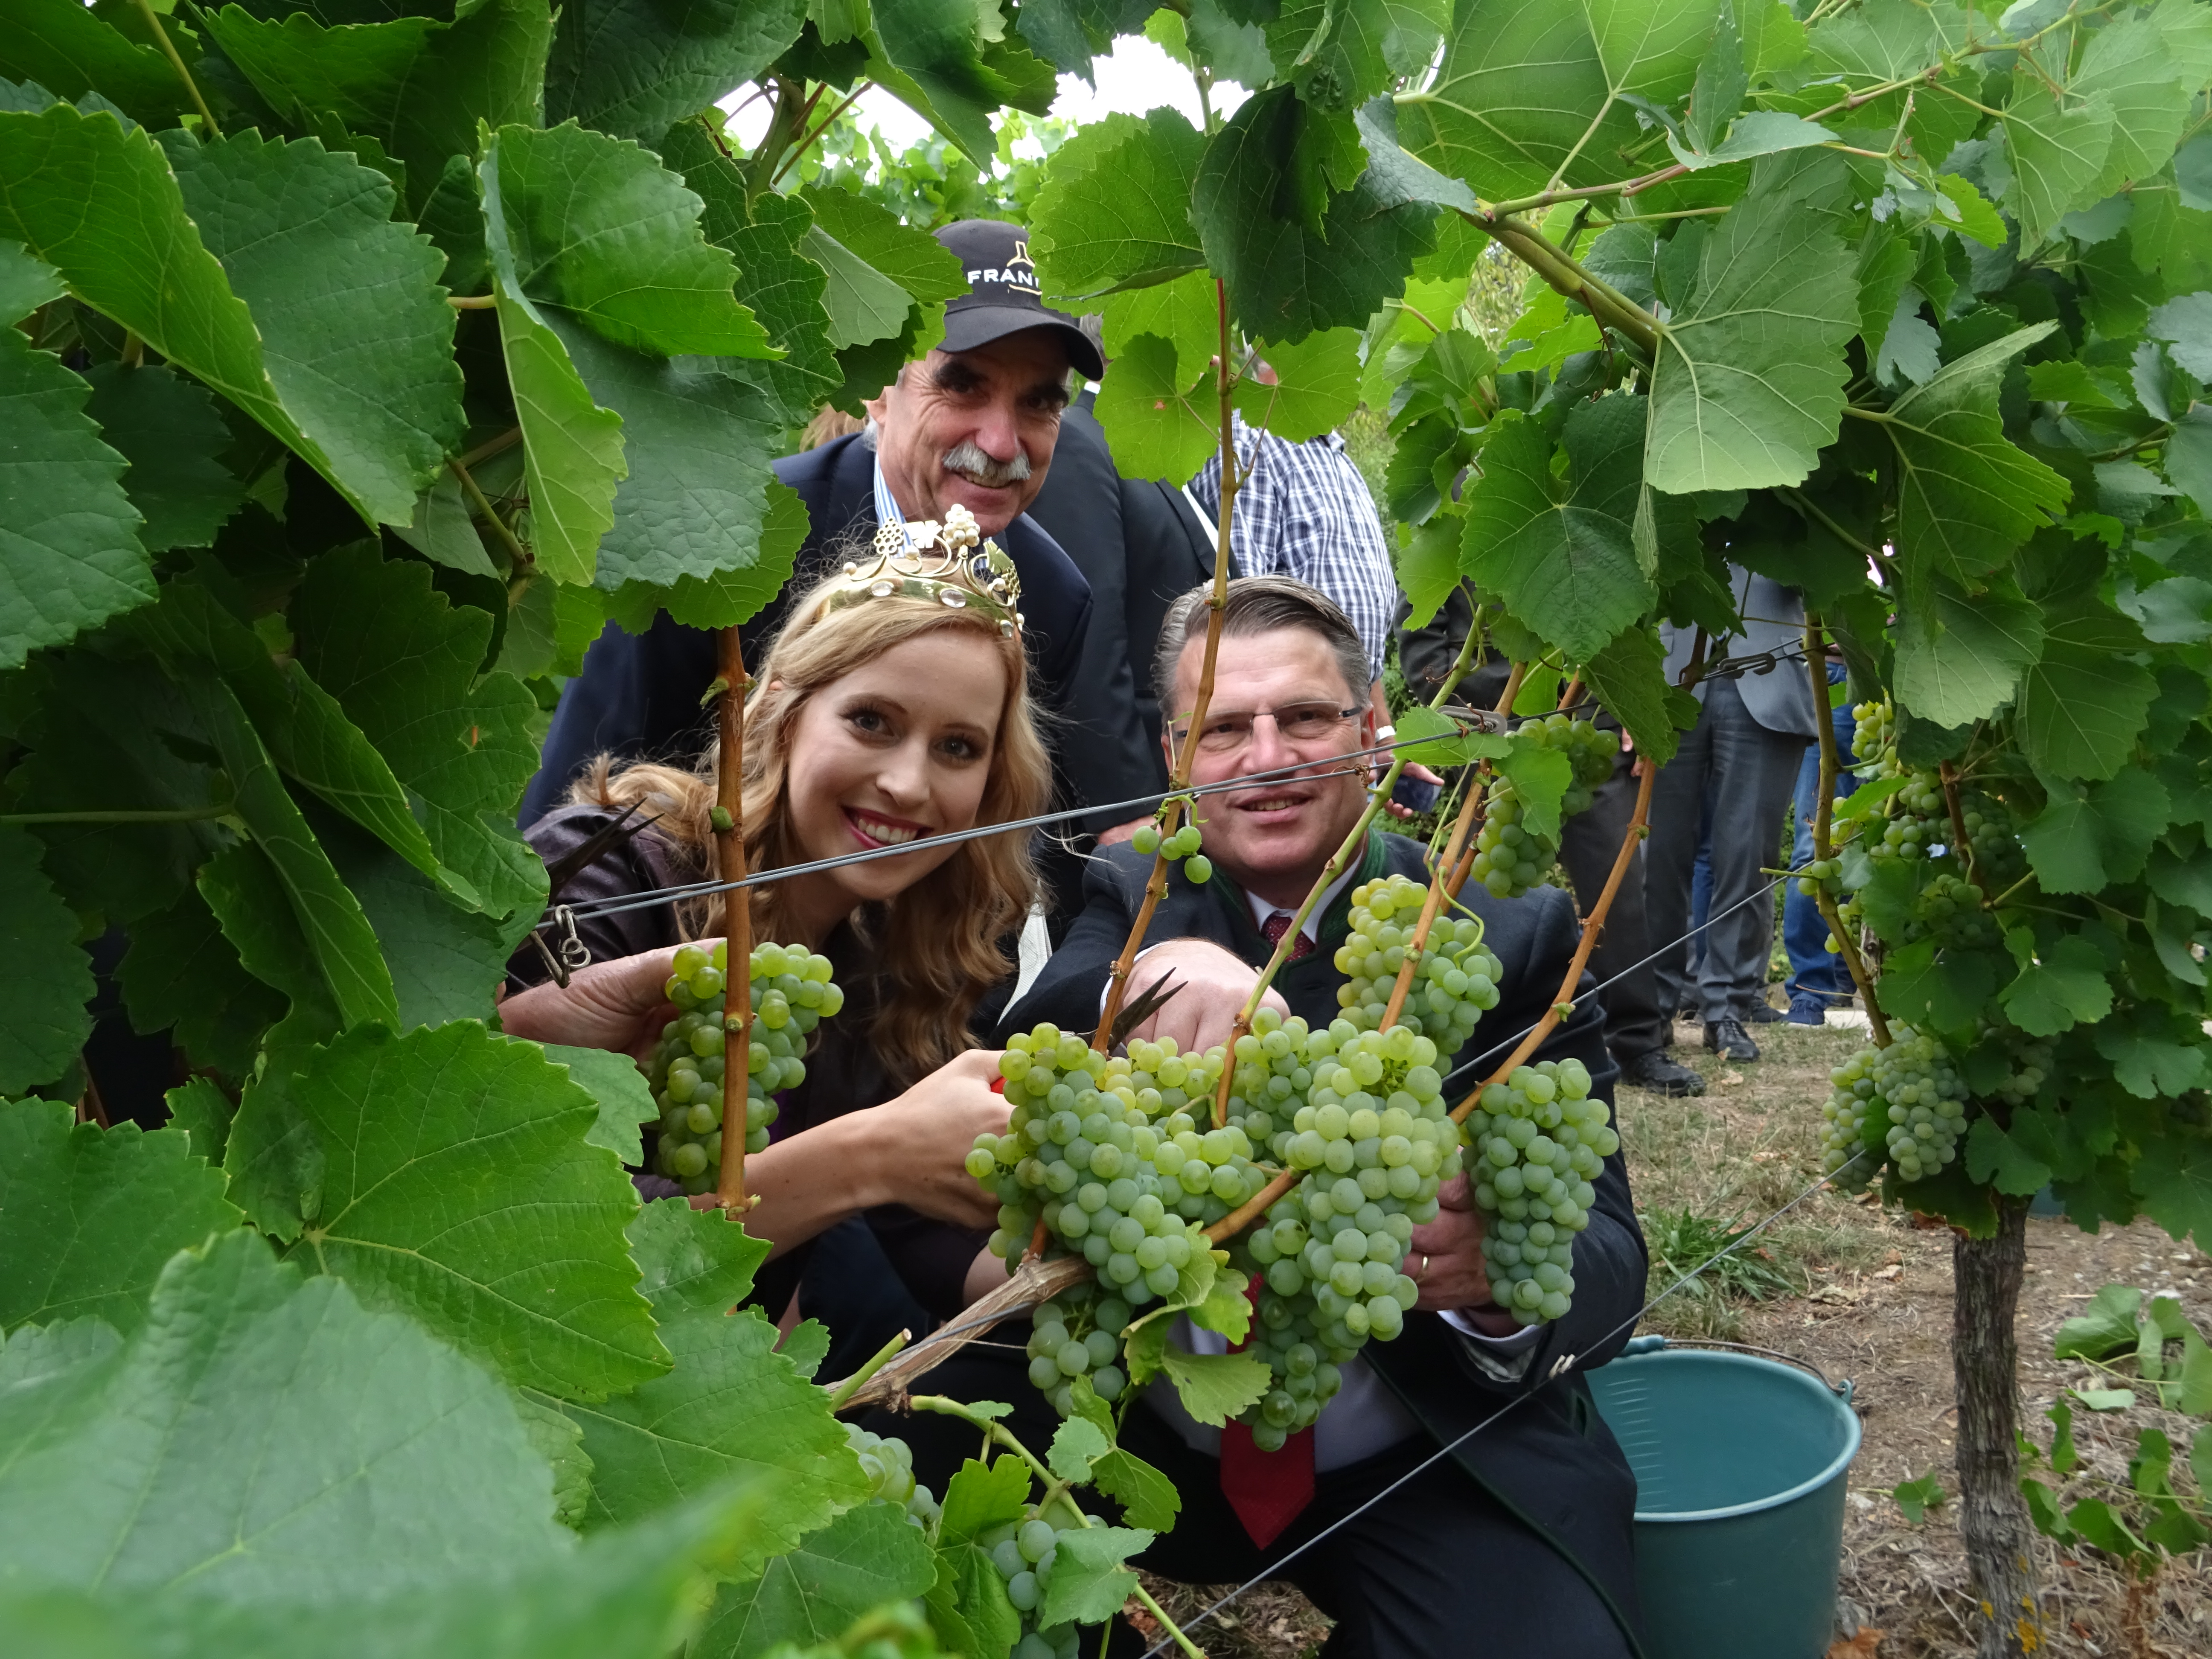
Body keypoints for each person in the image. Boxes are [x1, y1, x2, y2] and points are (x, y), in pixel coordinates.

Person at [928, 577, 1648, 1656]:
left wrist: (1499, 1285)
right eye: (1223, 728)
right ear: (1176, 758)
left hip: (1416, 1444)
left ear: (1370, 735)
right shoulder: (1132, 892)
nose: (1267, 758)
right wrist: (1163, 971)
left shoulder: (1501, 939)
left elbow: (1611, 1260)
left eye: (1304, 718)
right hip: (1145, 1432)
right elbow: (1050, 1021)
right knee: (925, 1516)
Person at [498, 538, 1042, 1345]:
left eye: (957, 747)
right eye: (870, 721)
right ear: (781, 710)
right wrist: (867, 1157)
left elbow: (946, 1249)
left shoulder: (875, 972)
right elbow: (543, 1244)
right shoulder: (612, 866)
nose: (908, 782)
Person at [519, 221, 1126, 859]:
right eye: (962, 385)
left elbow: (988, 852)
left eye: (1039, 404)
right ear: (879, 394)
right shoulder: (722, 539)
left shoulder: (1052, 597)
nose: (1003, 443)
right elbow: (580, 812)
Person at [1400, 587, 1706, 1097]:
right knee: (1480, 906)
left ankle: (1638, 1042)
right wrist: (1543, 690)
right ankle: (1481, 1045)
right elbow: (1425, 663)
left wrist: (1626, 703)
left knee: (1620, 894)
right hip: (1492, 752)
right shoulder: (1447, 520)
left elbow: (1618, 633)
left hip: (1586, 745)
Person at [1648, 568, 1822, 1063]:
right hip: (1668, 681)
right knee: (1656, 854)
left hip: (1770, 678)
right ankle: (1654, 1006)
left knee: (1747, 857)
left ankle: (1724, 1007)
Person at [1783, 655, 1859, 1024]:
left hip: (1901, 682)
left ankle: (1843, 980)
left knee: (1871, 844)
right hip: (1833, 677)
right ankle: (1811, 993)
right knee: (1816, 846)